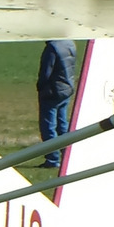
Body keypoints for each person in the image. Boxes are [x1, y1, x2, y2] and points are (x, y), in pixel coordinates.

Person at [37, 38, 76, 167]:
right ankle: (67, 154)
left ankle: (53, 159)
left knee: (48, 126)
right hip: (66, 88)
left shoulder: (52, 48)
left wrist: (40, 86)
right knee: (63, 125)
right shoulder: (70, 43)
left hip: (53, 91)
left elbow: (46, 72)